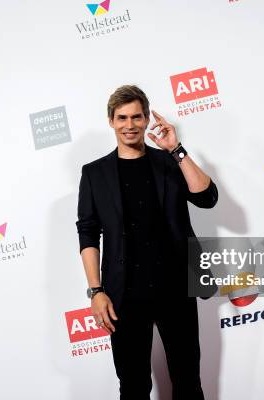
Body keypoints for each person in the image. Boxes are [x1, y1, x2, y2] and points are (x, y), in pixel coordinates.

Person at [76, 85, 218, 400]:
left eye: (137, 117)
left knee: (187, 382)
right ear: (111, 121)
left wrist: (176, 149)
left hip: (176, 286)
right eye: (122, 117)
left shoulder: (169, 161)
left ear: (145, 119)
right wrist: (96, 291)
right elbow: (88, 233)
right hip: (123, 294)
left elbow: (207, 198)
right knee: (134, 386)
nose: (130, 124)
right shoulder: (94, 174)